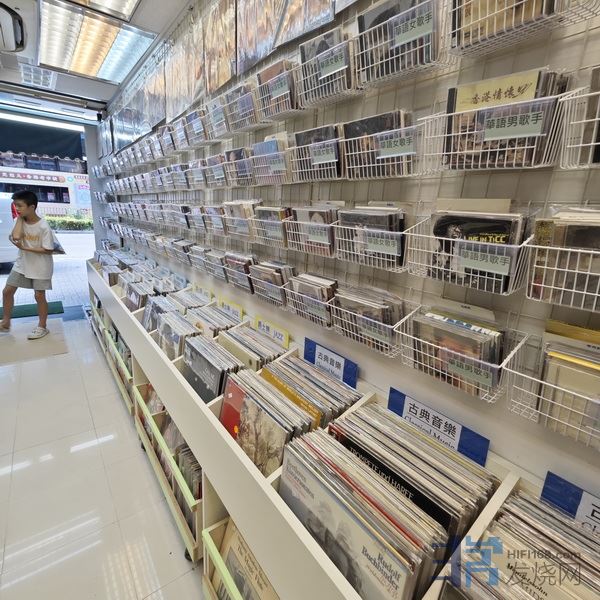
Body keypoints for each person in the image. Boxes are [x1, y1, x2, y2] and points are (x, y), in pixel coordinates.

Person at [1, 190, 55, 339]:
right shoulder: (18, 221)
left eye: (20, 206)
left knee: (39, 296)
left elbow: (48, 250)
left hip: (41, 266)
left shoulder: (44, 225)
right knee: (7, 291)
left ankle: (42, 327)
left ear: (32, 207)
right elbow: (16, 237)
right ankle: (6, 322)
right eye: (15, 205)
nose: (17, 208)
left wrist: (25, 248)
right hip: (22, 264)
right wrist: (20, 217)